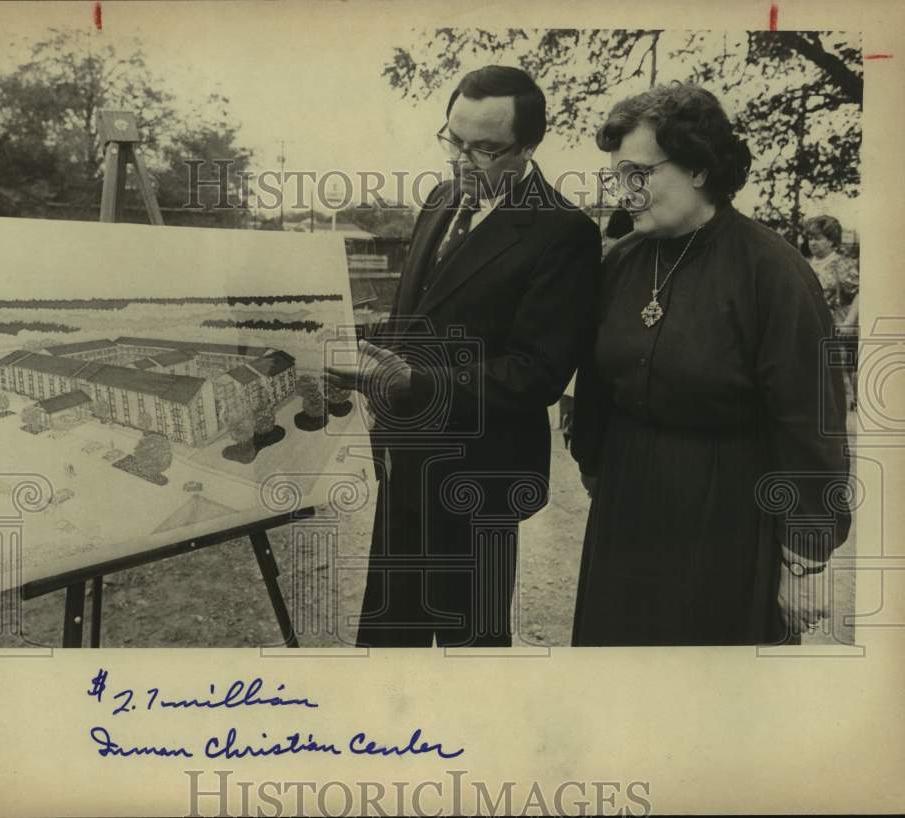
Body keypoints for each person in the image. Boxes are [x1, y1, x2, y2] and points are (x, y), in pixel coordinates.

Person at [327, 65, 602, 647]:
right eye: (452, 140)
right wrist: (360, 357)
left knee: (468, 652)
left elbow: (537, 371)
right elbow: (416, 315)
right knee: (391, 635)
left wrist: (417, 383)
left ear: (528, 147)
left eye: (484, 149)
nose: (460, 160)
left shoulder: (564, 232)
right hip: (404, 456)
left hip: (481, 475)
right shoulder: (440, 199)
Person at [569, 83, 852, 646]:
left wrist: (804, 561)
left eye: (638, 173)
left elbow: (810, 425)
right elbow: (597, 382)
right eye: (616, 175)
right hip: (627, 501)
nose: (624, 191)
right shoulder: (622, 261)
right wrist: (594, 461)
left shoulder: (772, 271)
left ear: (698, 168)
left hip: (729, 510)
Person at [804, 215, 859, 410]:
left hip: (833, 331)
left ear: (831, 240)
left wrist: (849, 322)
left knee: (836, 382)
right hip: (808, 330)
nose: (813, 243)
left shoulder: (841, 265)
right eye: (810, 238)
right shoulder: (804, 264)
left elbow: (861, 293)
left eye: (818, 238)